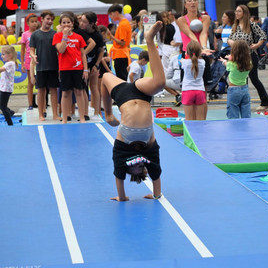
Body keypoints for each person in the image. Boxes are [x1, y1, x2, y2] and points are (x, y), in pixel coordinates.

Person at [101, 21, 165, 202]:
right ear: (143, 167)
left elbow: (118, 172)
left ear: (130, 168)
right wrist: (156, 194)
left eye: (134, 170)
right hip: (141, 92)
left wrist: (121, 197)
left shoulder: (122, 148)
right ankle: (149, 40)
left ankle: (107, 113)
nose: (138, 168)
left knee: (105, 76)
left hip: (122, 95)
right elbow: (156, 168)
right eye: (141, 169)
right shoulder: (149, 146)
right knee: (160, 83)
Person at [228, 4, 268, 111]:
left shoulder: (251, 25)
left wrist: (257, 45)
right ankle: (243, 102)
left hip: (250, 55)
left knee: (254, 78)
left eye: (239, 11)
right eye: (236, 11)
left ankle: (265, 101)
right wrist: (232, 43)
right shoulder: (235, 26)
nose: (236, 13)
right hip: (238, 56)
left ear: (244, 13)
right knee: (242, 79)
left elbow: (263, 35)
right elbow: (229, 38)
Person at [52, 12, 89, 123]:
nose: (66, 24)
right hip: (65, 68)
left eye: (68, 22)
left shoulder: (79, 37)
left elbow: (83, 54)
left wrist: (86, 69)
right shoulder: (57, 36)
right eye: (64, 23)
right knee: (65, 93)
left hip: (78, 68)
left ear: (72, 24)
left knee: (79, 92)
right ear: (60, 25)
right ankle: (64, 118)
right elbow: (61, 50)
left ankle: (82, 117)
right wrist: (65, 36)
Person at [30, 10, 61, 122]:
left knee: (54, 90)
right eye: (48, 19)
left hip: (53, 65)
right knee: (41, 91)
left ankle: (55, 114)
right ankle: (40, 114)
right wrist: (33, 56)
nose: (50, 21)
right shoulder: (35, 35)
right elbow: (32, 50)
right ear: (42, 19)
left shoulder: (55, 34)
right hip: (41, 66)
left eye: (51, 20)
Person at [80, 11, 104, 117]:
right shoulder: (80, 31)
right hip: (82, 64)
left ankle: (97, 111)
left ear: (92, 23)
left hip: (93, 63)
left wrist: (96, 65)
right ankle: (85, 112)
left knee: (93, 87)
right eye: (81, 21)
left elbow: (101, 51)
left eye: (84, 22)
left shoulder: (97, 35)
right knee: (83, 87)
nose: (81, 23)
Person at [219, 40, 252, 119]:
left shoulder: (231, 64)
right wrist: (230, 58)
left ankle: (234, 129)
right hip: (245, 89)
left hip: (233, 89)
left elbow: (227, 64)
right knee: (246, 113)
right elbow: (239, 61)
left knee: (232, 112)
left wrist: (224, 60)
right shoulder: (249, 63)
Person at [180, 40, 206, 120]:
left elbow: (181, 59)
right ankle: (201, 132)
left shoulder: (184, 62)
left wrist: (185, 55)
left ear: (187, 52)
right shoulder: (202, 62)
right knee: (201, 118)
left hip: (188, 90)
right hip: (200, 90)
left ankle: (189, 132)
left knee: (188, 118)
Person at [107, 3, 132, 81]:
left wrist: (111, 37)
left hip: (121, 55)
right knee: (122, 76)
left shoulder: (123, 24)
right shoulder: (123, 23)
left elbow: (122, 43)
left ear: (116, 13)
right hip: (121, 55)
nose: (110, 17)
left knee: (122, 78)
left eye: (111, 14)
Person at [20, 13, 39, 110]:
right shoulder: (25, 34)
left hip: (39, 60)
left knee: (41, 83)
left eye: (36, 21)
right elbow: (22, 50)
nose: (34, 23)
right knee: (30, 82)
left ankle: (42, 105)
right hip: (29, 60)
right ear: (27, 23)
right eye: (32, 22)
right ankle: (30, 104)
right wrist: (22, 63)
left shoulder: (40, 32)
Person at [0, 45, 18, 125]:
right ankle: (10, 112)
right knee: (2, 105)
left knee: (3, 107)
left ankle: (10, 123)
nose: (1, 56)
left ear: (10, 55)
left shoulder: (10, 63)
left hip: (6, 89)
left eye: (3, 54)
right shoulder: (8, 63)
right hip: (3, 87)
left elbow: (1, 70)